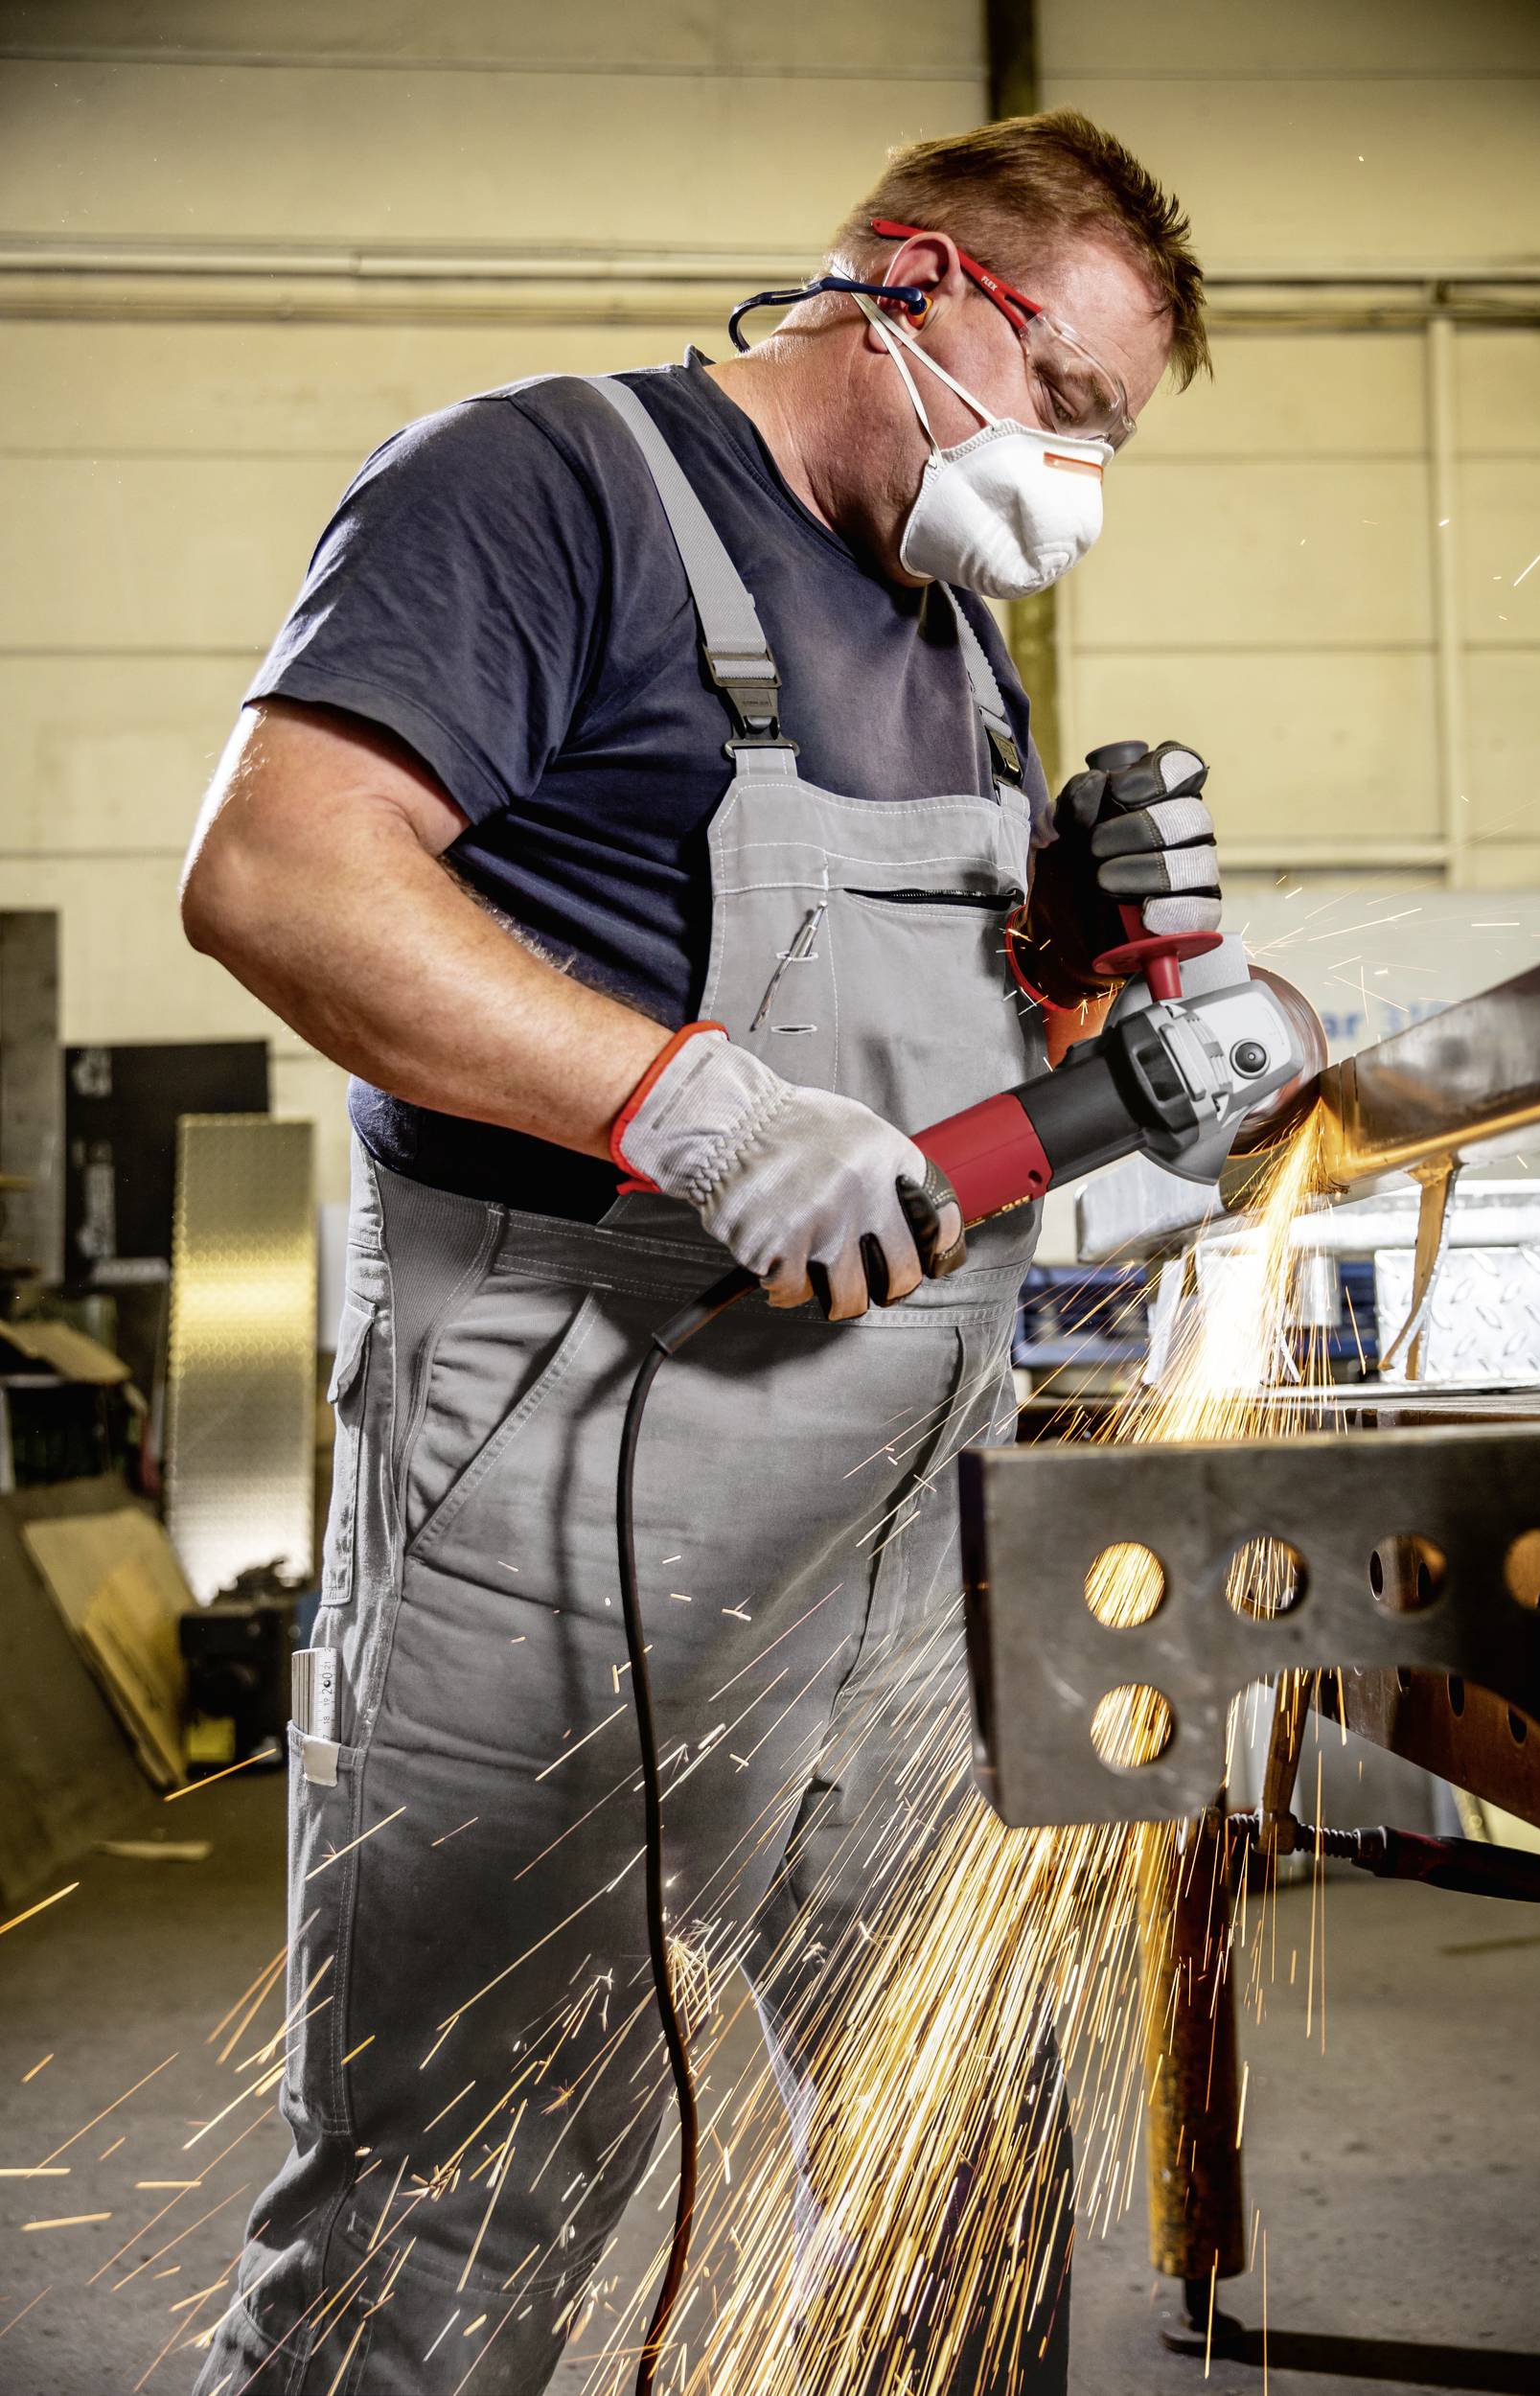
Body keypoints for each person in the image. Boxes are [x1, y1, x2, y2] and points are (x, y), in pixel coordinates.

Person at [181, 106, 1217, 2396]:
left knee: (960, 2150)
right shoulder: (544, 487)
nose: (1076, 487)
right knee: (447, 2220)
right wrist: (692, 1103)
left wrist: (1075, 962)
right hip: (573, 1479)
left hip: (894, 1526)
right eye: (1071, 411)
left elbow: (930, 1048)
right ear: (920, 280)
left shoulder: (948, 622)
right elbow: (277, 874)